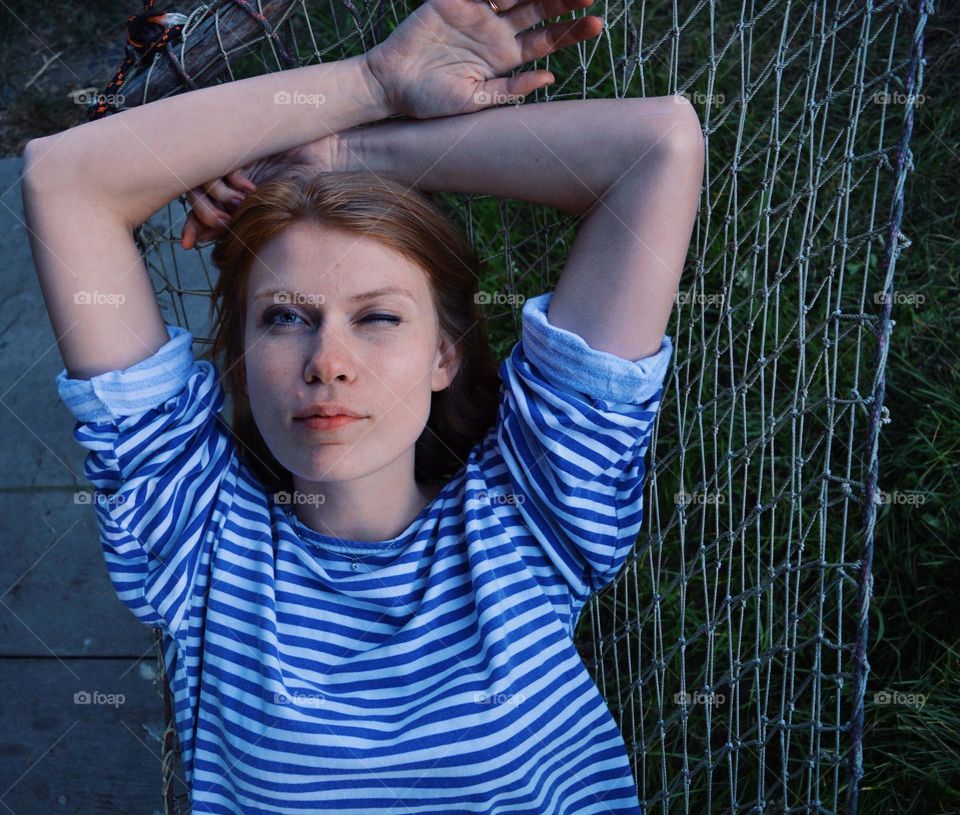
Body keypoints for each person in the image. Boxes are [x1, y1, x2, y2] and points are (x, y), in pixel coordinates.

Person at [21, 0, 704, 809]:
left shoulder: (533, 515)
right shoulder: (197, 538)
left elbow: (659, 147)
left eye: (378, 316)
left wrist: (345, 148)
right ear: (240, 358)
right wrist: (370, 78)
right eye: (285, 317)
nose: (329, 364)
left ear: (444, 354)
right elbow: (62, 179)